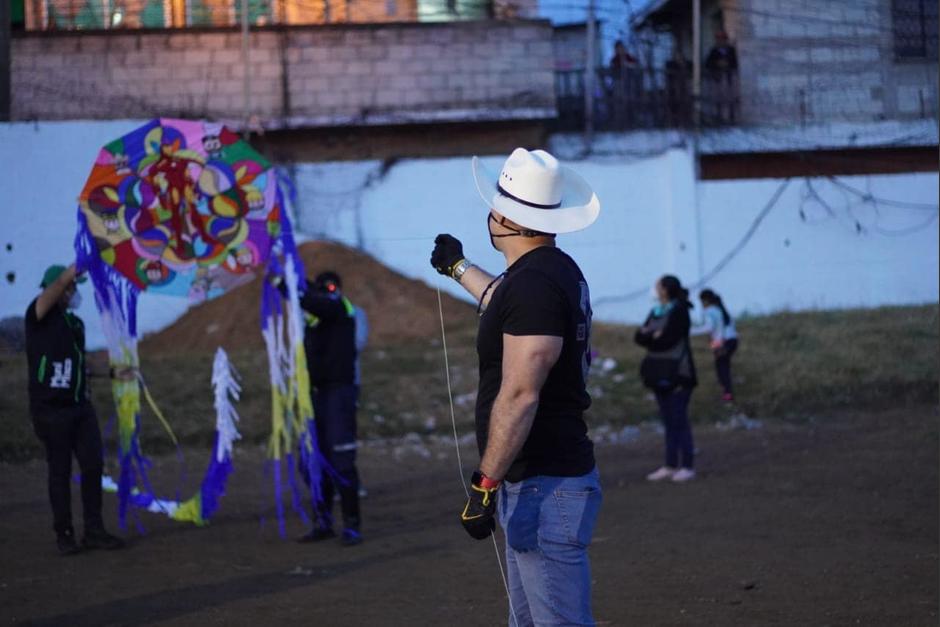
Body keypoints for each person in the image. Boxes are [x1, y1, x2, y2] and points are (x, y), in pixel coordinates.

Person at [430, 148, 602, 626]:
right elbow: (501, 301)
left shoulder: (535, 285)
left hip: (545, 485)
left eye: (495, 204)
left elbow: (521, 392)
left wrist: (484, 484)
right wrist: (458, 266)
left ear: (507, 217)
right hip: (536, 482)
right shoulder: (543, 274)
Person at [24, 263, 127, 555]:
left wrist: (113, 372)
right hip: (50, 409)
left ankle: (94, 531)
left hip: (80, 407)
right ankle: (64, 534)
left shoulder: (75, 325)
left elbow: (80, 364)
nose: (73, 292)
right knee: (60, 470)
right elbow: (53, 291)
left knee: (93, 465)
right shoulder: (38, 317)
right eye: (70, 287)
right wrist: (74, 267)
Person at [294, 271, 364, 547]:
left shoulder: (340, 307)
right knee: (315, 460)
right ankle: (322, 522)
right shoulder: (315, 317)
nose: (330, 291)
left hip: (339, 394)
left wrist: (293, 288)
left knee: (342, 461)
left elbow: (321, 304)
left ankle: (352, 525)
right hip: (317, 395)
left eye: (332, 287)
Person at [635, 275, 698, 483]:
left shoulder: (679, 311)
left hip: (679, 374)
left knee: (679, 419)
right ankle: (671, 464)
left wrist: (651, 336)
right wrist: (653, 336)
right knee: (668, 420)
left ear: (664, 289)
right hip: (659, 373)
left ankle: (687, 465)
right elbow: (640, 337)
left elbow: (667, 339)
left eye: (657, 286)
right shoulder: (657, 311)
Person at [693, 288, 739, 402]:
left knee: (721, 368)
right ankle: (727, 392)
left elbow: (709, 328)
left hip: (721, 342)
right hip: (732, 340)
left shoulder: (710, 311)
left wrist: (689, 331)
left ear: (705, 301)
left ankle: (727, 394)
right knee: (724, 366)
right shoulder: (722, 309)